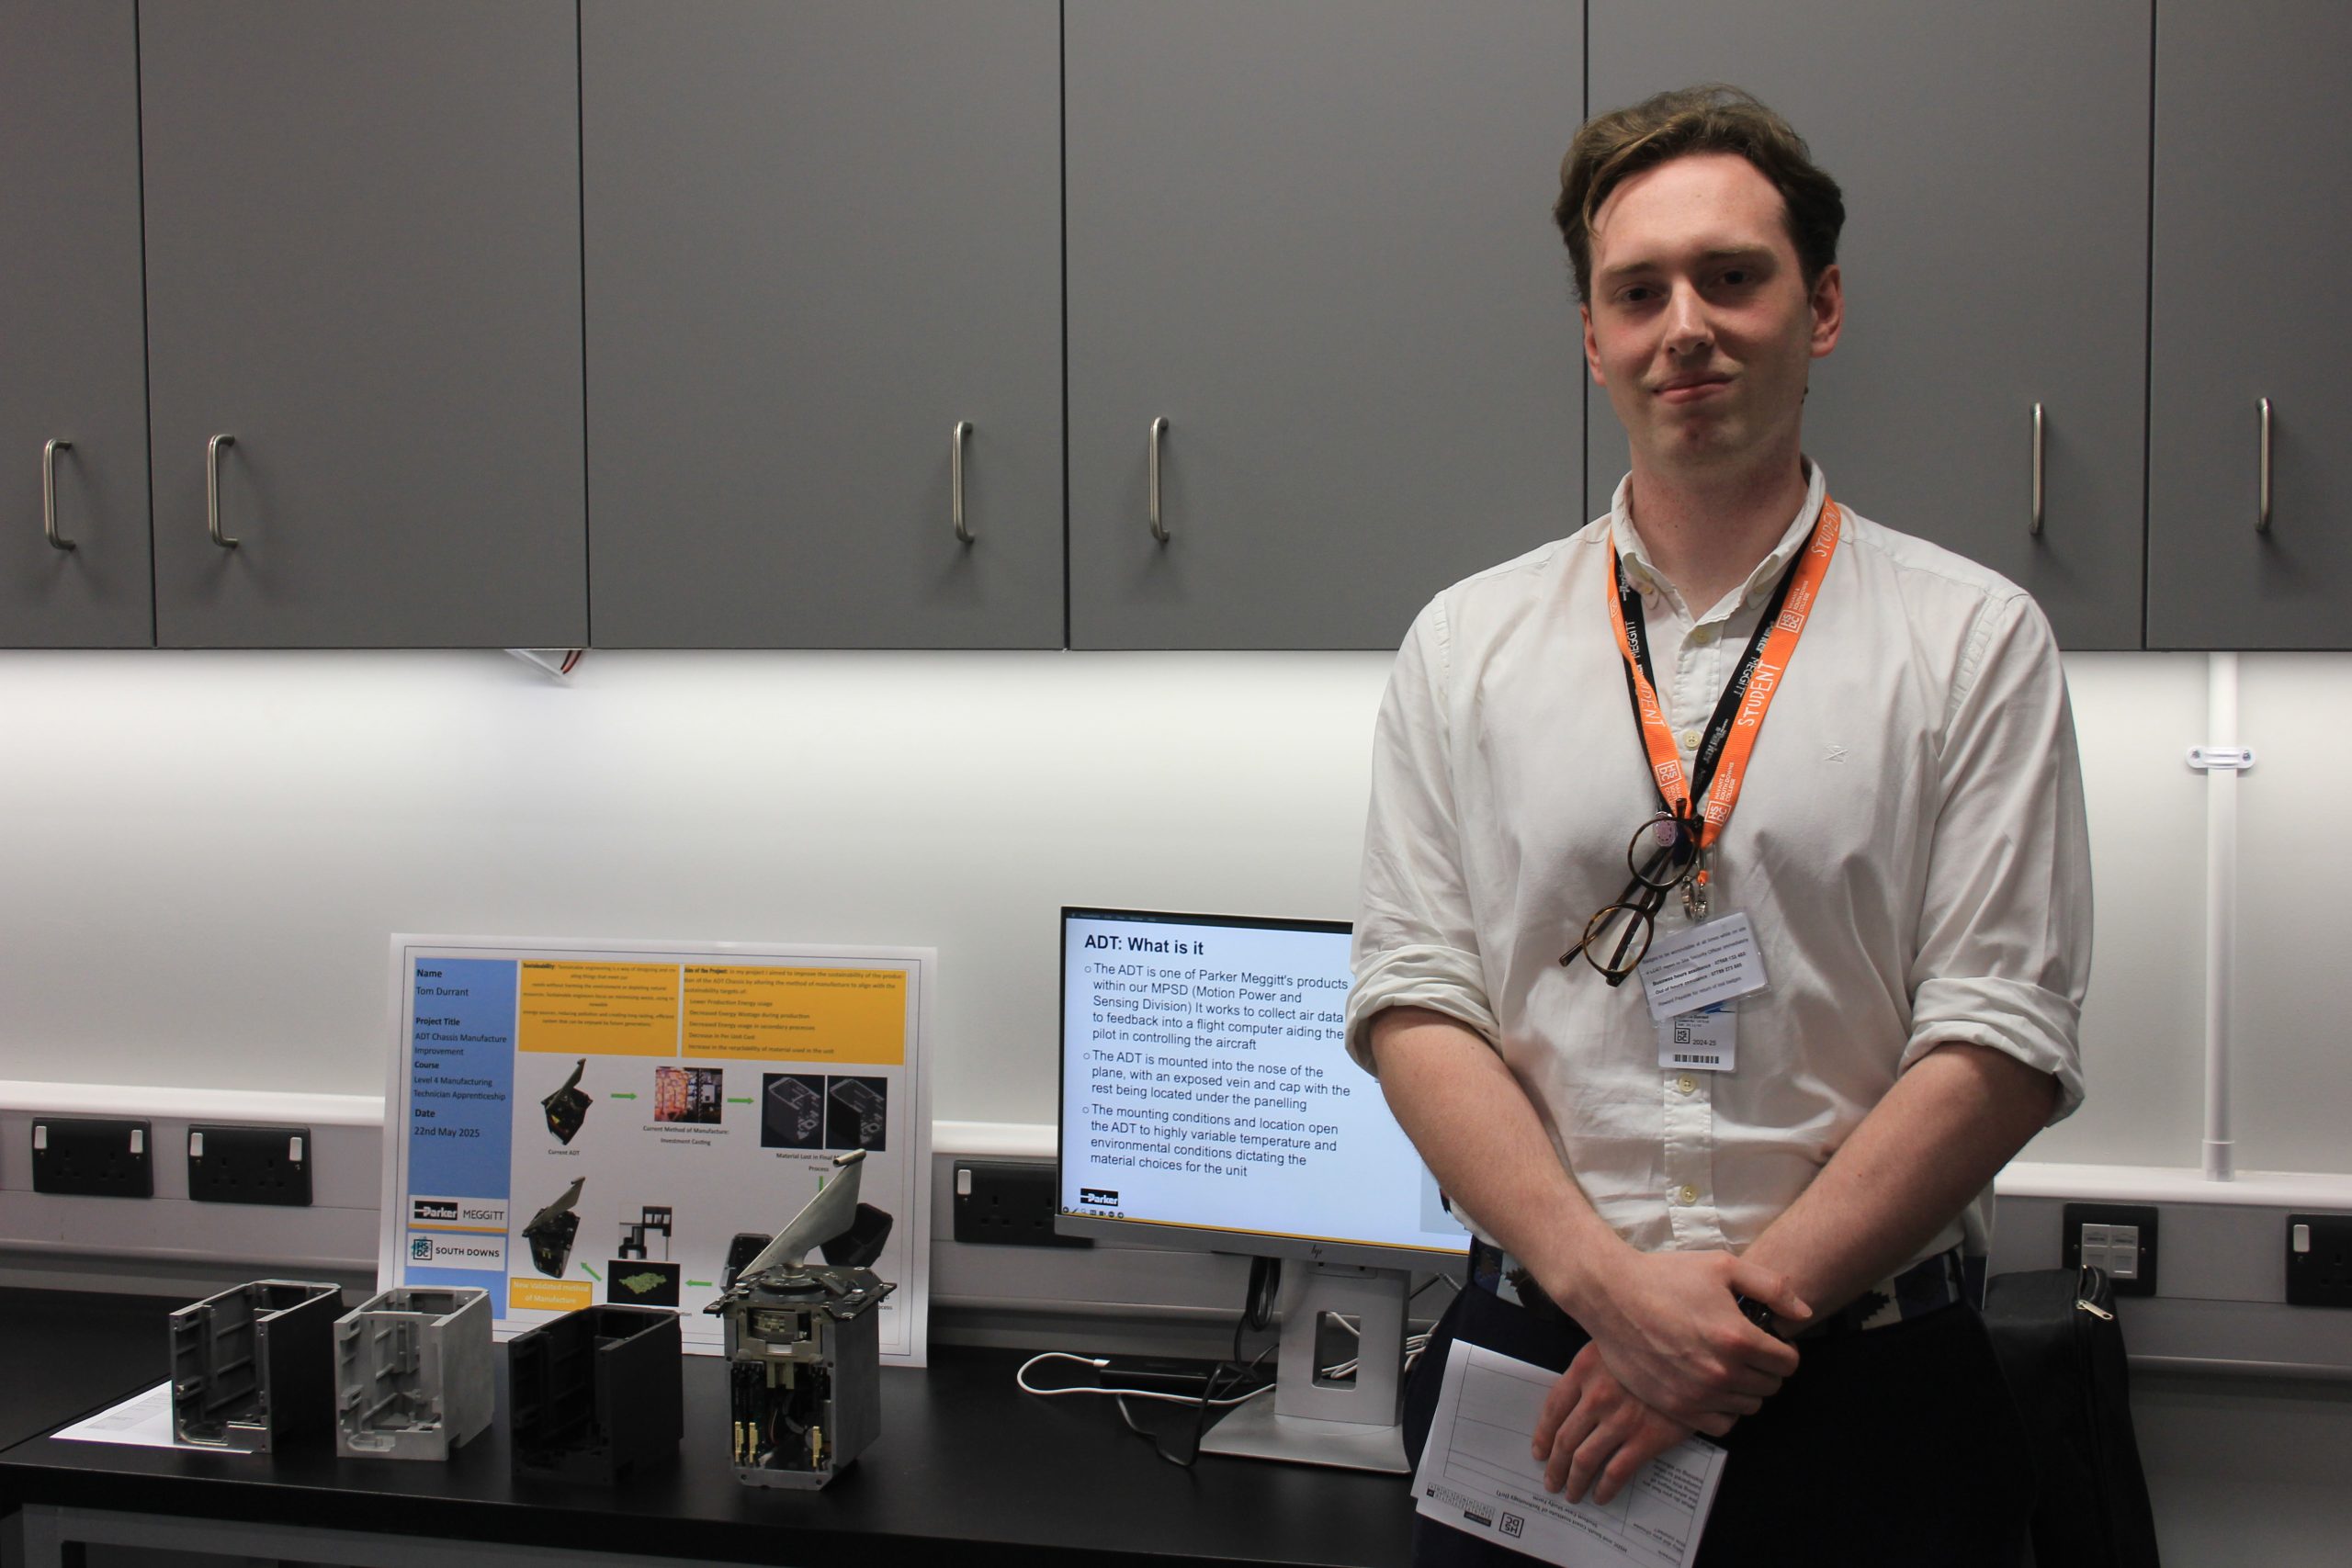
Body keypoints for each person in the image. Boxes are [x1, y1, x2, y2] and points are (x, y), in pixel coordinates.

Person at [1345, 85, 2090, 1566]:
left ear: (1817, 308)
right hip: (1548, 1369)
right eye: (1638, 292)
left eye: (1731, 277)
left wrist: (1719, 1325)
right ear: (1593, 338)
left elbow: (2002, 1041)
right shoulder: (1465, 643)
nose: (1683, 324)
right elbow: (1413, 1000)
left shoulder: (1974, 640)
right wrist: (1617, 1300)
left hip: (1866, 1396)